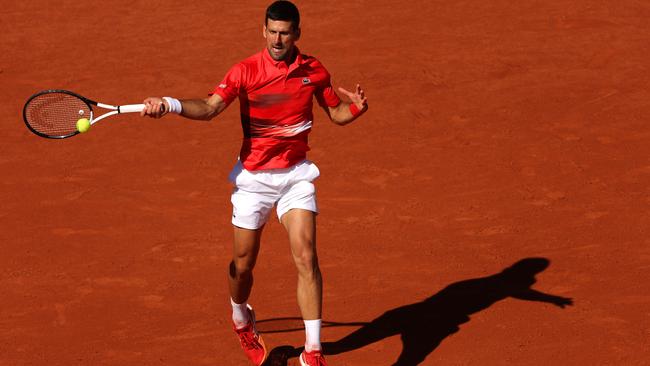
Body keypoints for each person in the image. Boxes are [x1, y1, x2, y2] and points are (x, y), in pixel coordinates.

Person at [140, 1, 368, 365]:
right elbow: (211, 107)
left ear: (297, 33)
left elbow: (337, 114)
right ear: (264, 31)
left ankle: (313, 352)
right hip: (254, 179)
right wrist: (169, 103)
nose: (278, 39)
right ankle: (240, 315)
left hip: (295, 176)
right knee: (243, 265)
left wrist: (355, 108)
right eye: (272, 31)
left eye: (285, 32)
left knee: (307, 256)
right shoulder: (245, 71)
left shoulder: (314, 70)